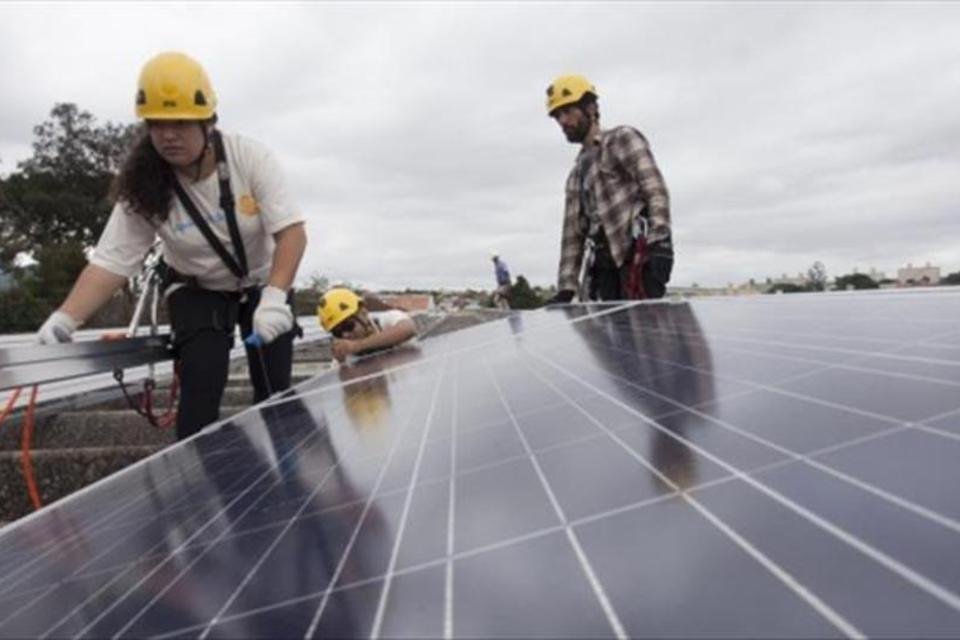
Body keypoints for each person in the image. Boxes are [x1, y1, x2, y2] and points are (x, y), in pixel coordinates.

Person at [34, 51, 308, 440]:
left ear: (207, 121)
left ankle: (290, 482)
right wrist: (65, 318)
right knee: (200, 392)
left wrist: (277, 297)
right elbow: (113, 260)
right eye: (157, 125)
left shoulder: (250, 157)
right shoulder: (146, 183)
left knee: (275, 390)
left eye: (179, 123)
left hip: (266, 284)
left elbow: (291, 233)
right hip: (199, 288)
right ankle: (213, 488)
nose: (168, 135)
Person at [543, 74, 673, 304]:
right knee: (610, 335)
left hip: (636, 258)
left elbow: (654, 188)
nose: (563, 121)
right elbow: (572, 234)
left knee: (646, 334)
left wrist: (659, 242)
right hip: (603, 268)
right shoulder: (575, 176)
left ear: (590, 107)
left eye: (568, 111)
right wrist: (567, 287)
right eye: (557, 116)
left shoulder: (621, 139)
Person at [317, 288, 417, 363]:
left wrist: (358, 346)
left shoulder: (388, 319)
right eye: (337, 333)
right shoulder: (345, 356)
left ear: (363, 312)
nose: (345, 335)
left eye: (348, 325)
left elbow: (408, 329)